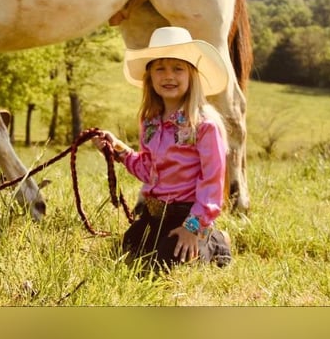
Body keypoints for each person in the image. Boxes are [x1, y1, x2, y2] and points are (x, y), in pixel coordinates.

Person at [95, 26, 233, 270]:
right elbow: (149, 171)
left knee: (167, 261)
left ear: (192, 75)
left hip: (187, 214)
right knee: (130, 246)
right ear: (150, 77)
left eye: (178, 68)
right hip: (155, 213)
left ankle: (214, 241)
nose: (168, 76)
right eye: (160, 68)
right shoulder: (150, 122)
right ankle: (174, 237)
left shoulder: (204, 125)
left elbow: (212, 183)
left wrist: (193, 227)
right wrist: (119, 150)